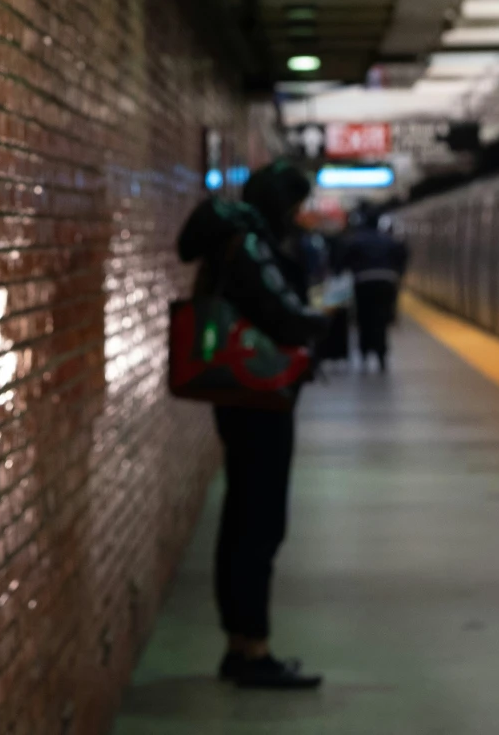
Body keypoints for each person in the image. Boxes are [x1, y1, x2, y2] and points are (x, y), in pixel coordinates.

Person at [175, 159, 325, 689]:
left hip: (237, 399)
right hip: (260, 400)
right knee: (260, 524)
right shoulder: (252, 244)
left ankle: (240, 642)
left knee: (242, 518)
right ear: (281, 204)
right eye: (295, 205)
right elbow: (283, 314)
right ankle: (252, 651)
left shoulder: (230, 239)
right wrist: (323, 320)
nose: (297, 216)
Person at [343, 212, 410, 370]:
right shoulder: (389, 240)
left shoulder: (357, 240)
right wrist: (397, 273)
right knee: (382, 319)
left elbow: (345, 259)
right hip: (386, 281)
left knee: (364, 319)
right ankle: (381, 354)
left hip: (363, 282)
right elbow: (402, 255)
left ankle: (364, 353)